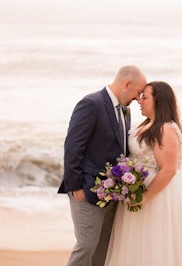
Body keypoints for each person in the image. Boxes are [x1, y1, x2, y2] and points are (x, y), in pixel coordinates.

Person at [58, 65, 147, 266]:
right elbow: (73, 147)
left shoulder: (125, 111)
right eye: (138, 92)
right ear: (127, 83)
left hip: (112, 195)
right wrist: (75, 188)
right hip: (86, 191)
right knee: (87, 245)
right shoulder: (91, 104)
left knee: (103, 249)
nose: (138, 98)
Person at [105, 81, 182, 266]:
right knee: (137, 245)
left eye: (145, 97)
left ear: (158, 101)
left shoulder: (166, 128)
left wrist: (145, 197)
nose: (139, 100)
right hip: (140, 192)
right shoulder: (147, 125)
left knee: (155, 244)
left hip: (158, 196)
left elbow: (169, 169)